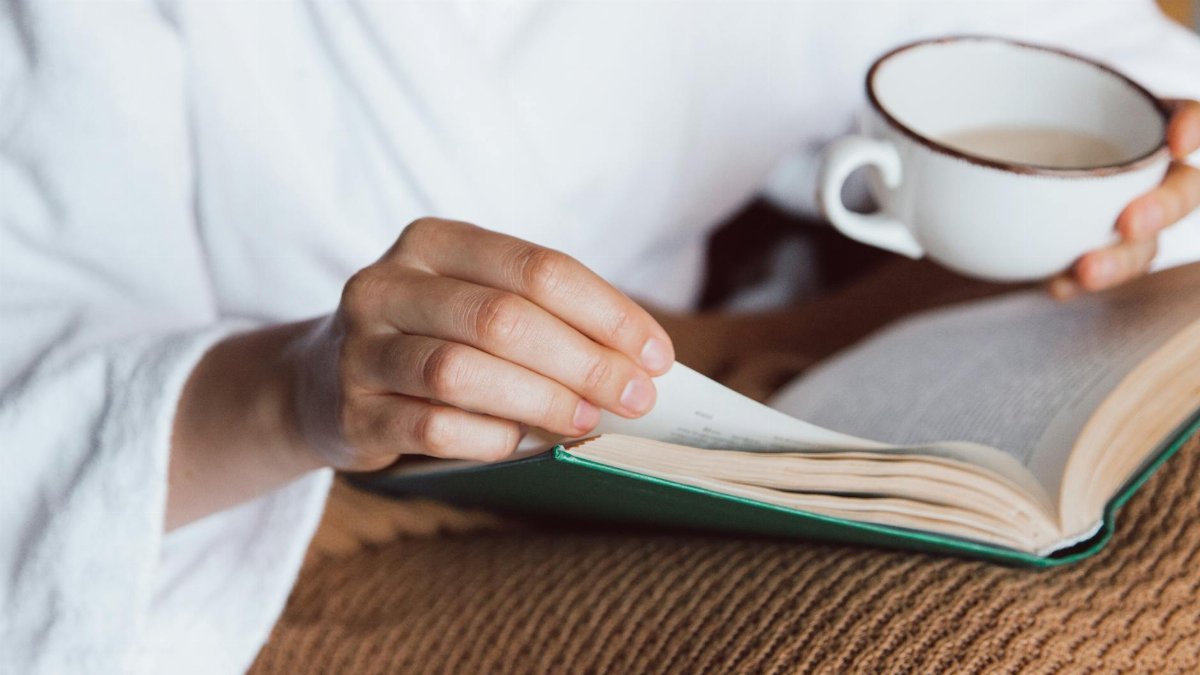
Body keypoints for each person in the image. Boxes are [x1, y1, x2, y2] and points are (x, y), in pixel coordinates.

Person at [2, 1, 1198, 672]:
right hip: (282, 522)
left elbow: (1111, 85)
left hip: (683, 428)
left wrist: (1157, 183)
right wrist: (298, 389)